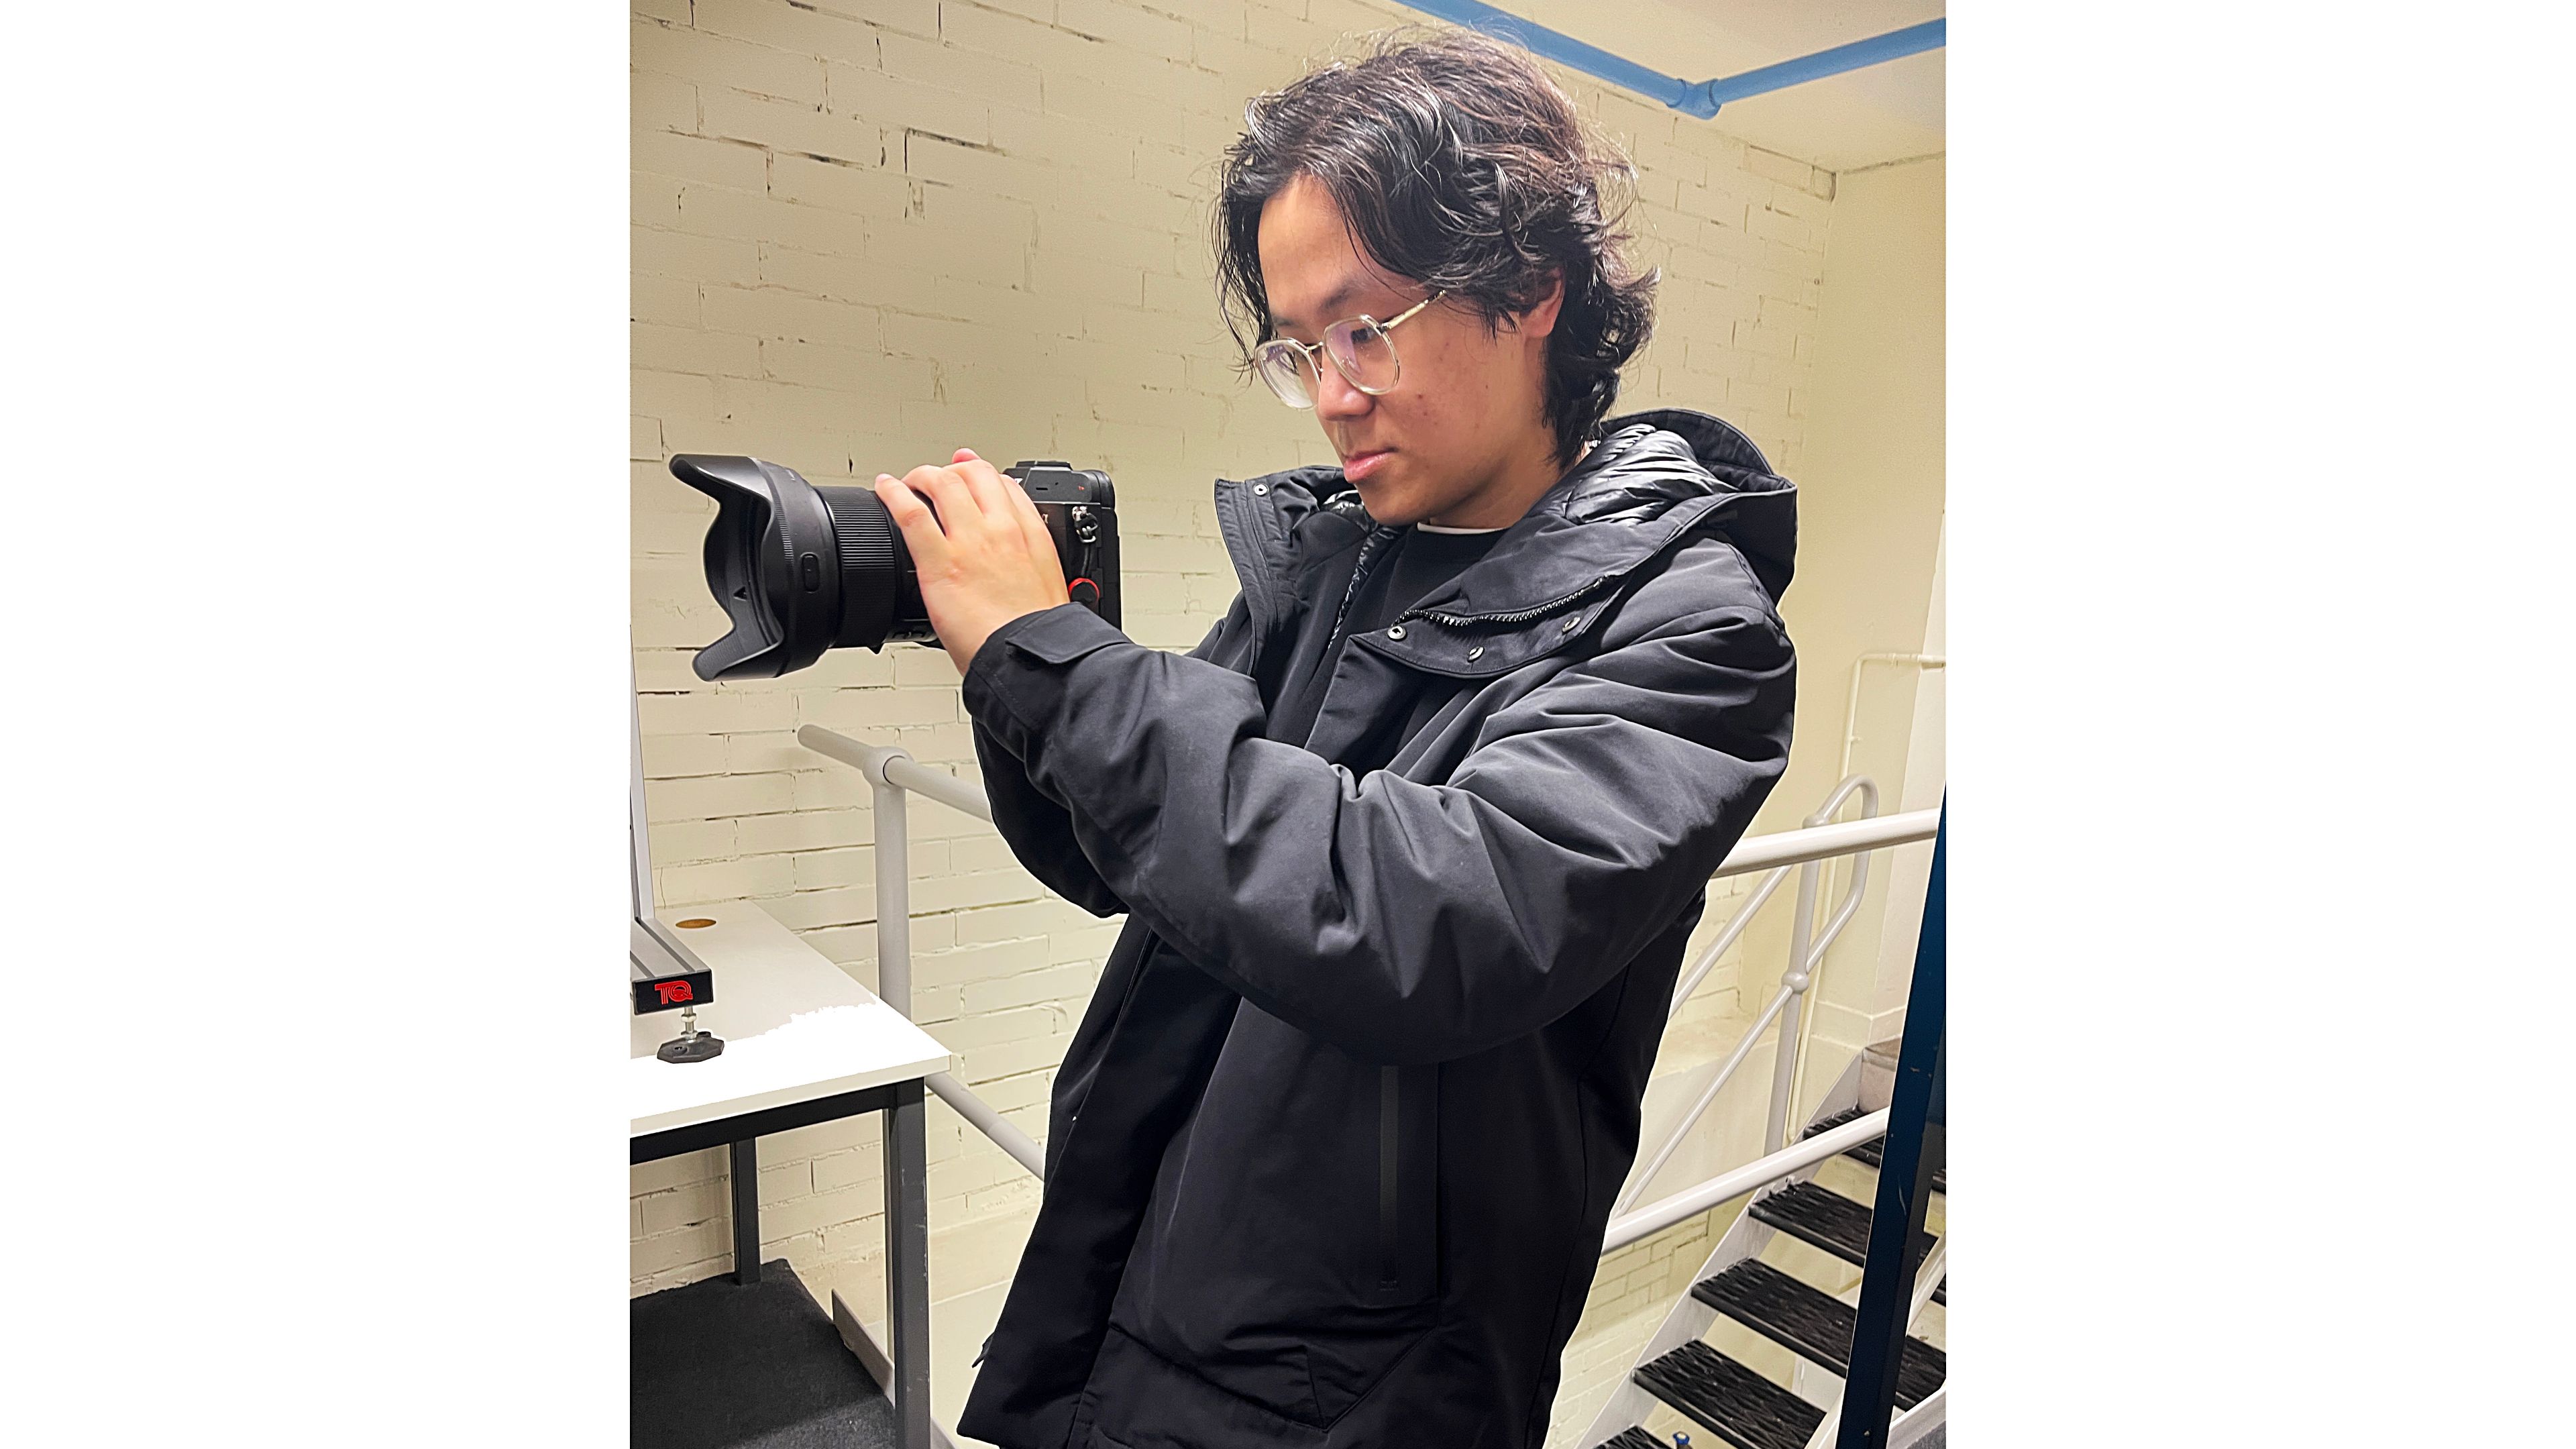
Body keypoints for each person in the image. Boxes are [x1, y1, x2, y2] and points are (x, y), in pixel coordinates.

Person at [870, 30, 1798, 1449]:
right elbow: (1144, 855)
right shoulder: (1344, 558)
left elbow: (1421, 917)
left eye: (1368, 327)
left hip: (1362, 1391)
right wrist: (1027, 663)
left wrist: (1057, 668)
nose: (1332, 391)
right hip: (1144, 1283)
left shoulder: (1693, 635)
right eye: (1299, 346)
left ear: (1533, 290)